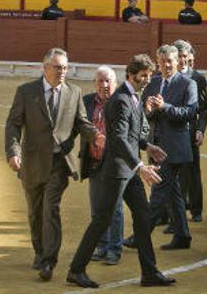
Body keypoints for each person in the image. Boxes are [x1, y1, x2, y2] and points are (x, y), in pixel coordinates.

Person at [66, 54, 174, 289]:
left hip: (129, 170)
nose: (147, 80)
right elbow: (117, 139)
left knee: (143, 218)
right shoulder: (121, 100)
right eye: (143, 76)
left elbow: (132, 134)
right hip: (116, 171)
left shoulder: (133, 97)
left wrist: (148, 146)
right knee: (102, 220)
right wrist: (140, 167)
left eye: (148, 75)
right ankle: (76, 270)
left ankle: (149, 272)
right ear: (131, 75)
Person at [4, 48, 96, 281]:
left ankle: (49, 261)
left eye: (65, 67)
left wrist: (96, 135)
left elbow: (81, 123)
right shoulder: (26, 92)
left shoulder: (74, 92)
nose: (62, 72)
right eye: (57, 67)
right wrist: (13, 152)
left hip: (58, 162)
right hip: (32, 162)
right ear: (45, 68)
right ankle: (39, 251)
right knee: (35, 213)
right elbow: (13, 124)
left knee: (50, 209)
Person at [139, 44, 198, 250]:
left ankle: (140, 235)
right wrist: (148, 110)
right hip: (156, 145)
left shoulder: (188, 83)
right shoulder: (153, 83)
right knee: (173, 195)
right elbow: (146, 114)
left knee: (158, 192)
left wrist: (164, 107)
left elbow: (189, 113)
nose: (165, 65)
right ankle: (182, 236)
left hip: (174, 147)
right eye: (161, 61)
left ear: (178, 62)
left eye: (169, 61)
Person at [79, 66, 125, 266]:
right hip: (94, 161)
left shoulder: (122, 101)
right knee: (97, 207)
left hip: (114, 163)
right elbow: (79, 125)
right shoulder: (87, 101)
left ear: (115, 83)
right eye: (100, 81)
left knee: (115, 208)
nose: (104, 85)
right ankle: (102, 245)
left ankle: (115, 248)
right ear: (95, 83)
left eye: (108, 81)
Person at [173, 40, 207, 223]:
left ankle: (196, 209)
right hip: (170, 131)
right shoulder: (165, 76)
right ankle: (169, 211)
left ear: (189, 58)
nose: (181, 60)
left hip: (190, 130)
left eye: (184, 56)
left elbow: (203, 109)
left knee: (192, 170)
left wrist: (200, 130)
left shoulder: (198, 78)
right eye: (178, 56)